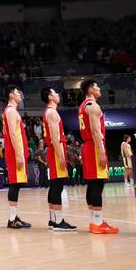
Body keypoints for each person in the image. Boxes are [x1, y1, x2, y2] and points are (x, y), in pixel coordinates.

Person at [79, 79, 118, 234]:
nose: (99, 89)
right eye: (97, 87)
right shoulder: (93, 106)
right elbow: (95, 131)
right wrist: (101, 151)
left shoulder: (83, 106)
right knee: (97, 184)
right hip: (94, 146)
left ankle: (94, 221)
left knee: (92, 184)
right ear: (90, 90)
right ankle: (97, 223)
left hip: (88, 145)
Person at [41, 87, 77, 232]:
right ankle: (58, 221)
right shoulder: (51, 112)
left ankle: (52, 219)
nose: (58, 94)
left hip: (54, 149)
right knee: (57, 185)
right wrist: (61, 156)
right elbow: (54, 137)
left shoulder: (50, 112)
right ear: (50, 97)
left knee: (54, 185)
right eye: (55, 93)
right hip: (56, 149)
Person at [3, 85, 31, 229]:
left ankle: (14, 217)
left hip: (17, 151)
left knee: (17, 183)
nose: (19, 94)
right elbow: (13, 134)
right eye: (16, 92)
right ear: (11, 95)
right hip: (15, 152)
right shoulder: (10, 111)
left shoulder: (12, 111)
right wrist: (19, 154)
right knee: (14, 183)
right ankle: (12, 219)